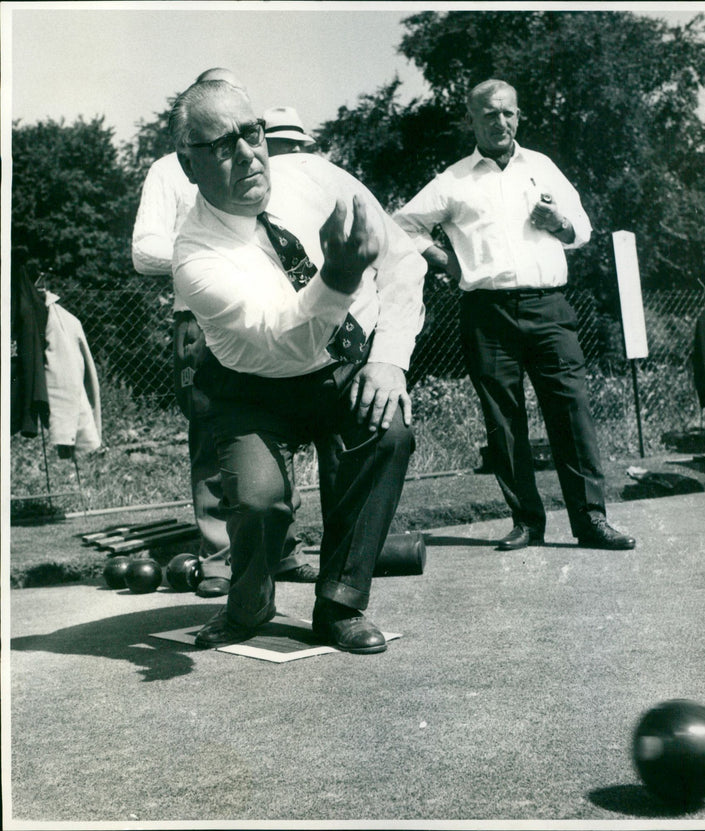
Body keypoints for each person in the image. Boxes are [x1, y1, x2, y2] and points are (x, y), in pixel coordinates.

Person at [170, 79, 425, 652]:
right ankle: (250, 605)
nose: (248, 155)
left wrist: (388, 360)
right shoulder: (193, 257)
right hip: (251, 390)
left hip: (344, 370)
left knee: (389, 432)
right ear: (189, 165)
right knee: (259, 500)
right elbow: (280, 334)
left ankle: (339, 605)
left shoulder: (318, 178)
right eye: (222, 146)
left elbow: (404, 263)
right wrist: (337, 278)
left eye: (252, 133)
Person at [395, 79, 635, 552]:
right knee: (503, 422)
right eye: (489, 114)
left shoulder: (542, 167)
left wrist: (558, 223)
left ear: (519, 116)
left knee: (572, 412)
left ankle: (591, 521)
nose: (500, 122)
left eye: (507, 113)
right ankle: (527, 522)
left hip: (549, 307)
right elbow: (401, 225)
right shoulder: (454, 180)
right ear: (472, 120)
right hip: (487, 312)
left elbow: (581, 228)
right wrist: (444, 260)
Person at [131, 68, 318, 596]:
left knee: (274, 429)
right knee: (215, 436)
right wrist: (209, 255)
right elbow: (142, 248)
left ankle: (282, 550)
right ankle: (218, 558)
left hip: (273, 312)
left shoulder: (261, 168)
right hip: (201, 317)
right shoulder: (169, 171)